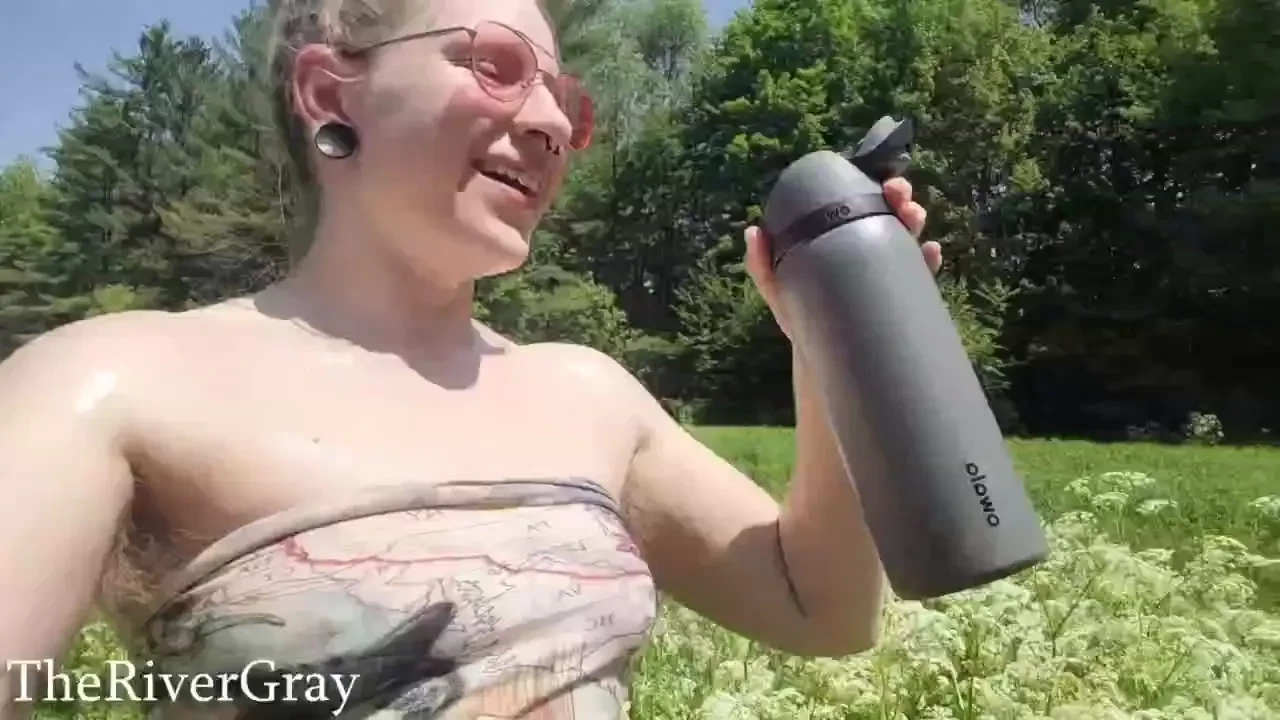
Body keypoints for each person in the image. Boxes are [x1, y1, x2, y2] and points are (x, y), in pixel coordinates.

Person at [0, 0, 938, 717]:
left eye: (565, 100)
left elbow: (823, 611)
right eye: (493, 66)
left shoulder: (588, 391)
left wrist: (831, 340)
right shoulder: (111, 382)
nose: (552, 125)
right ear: (331, 93)